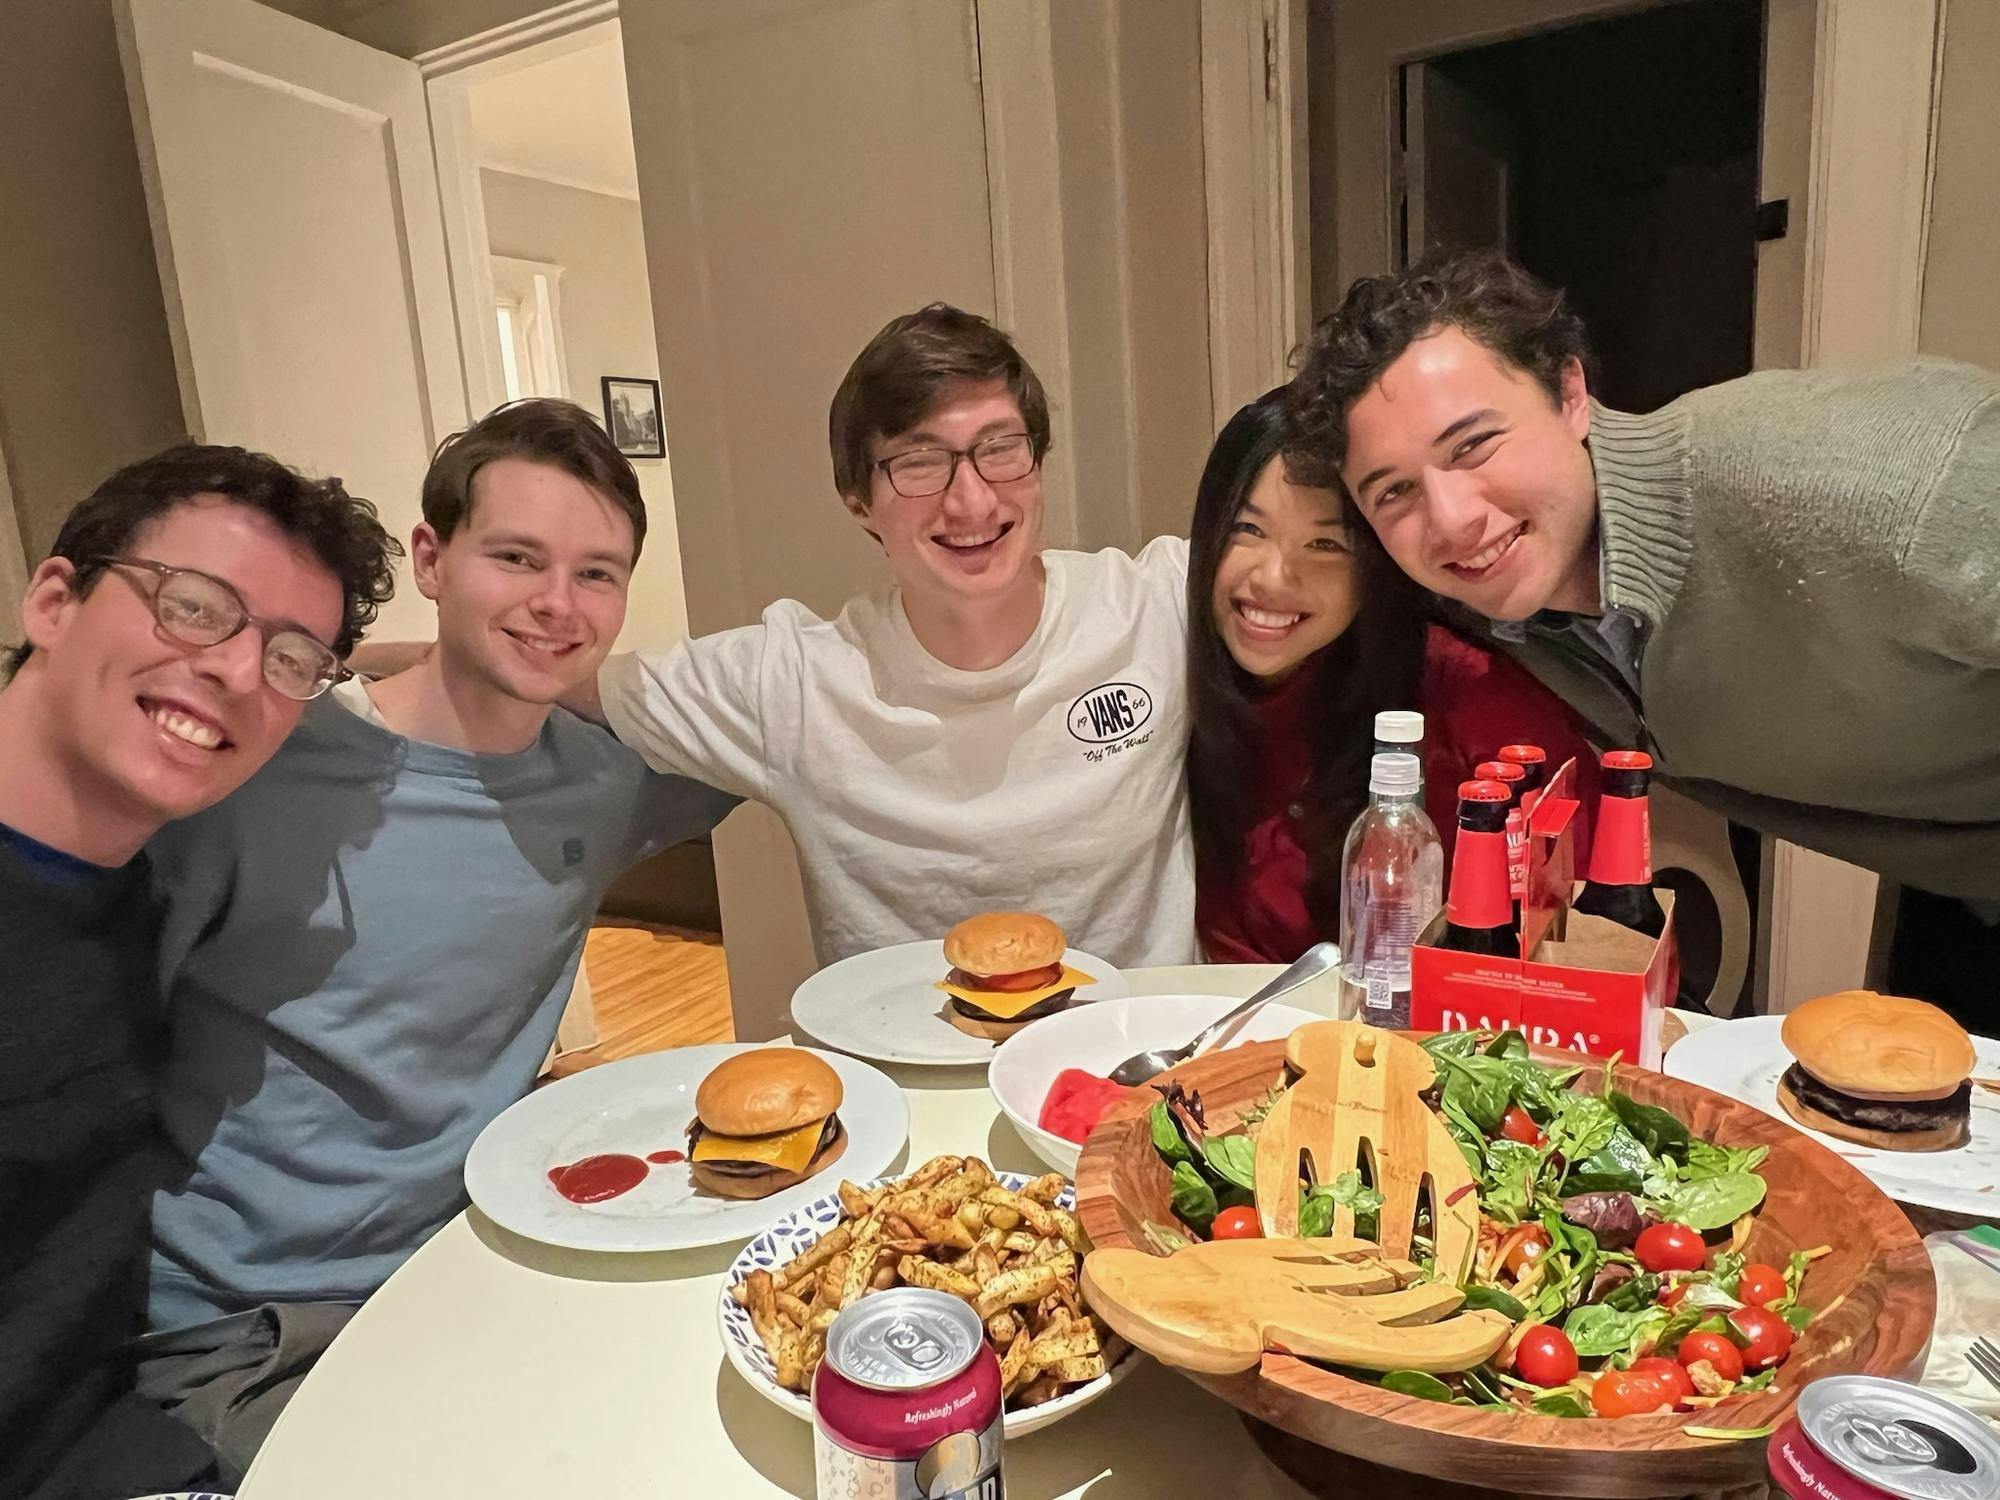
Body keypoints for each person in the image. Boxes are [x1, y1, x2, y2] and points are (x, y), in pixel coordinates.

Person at [139, 400, 738, 1485]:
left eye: (596, 574)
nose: (558, 605)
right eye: (516, 558)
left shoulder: (603, 781)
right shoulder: (250, 773)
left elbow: (795, 732)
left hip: (482, 1268)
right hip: (246, 1328)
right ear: (431, 556)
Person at [1287, 249, 2000, 911]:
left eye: (1475, 444)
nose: (1452, 521)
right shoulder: (1489, 612)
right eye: (1394, 493)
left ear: (1571, 393)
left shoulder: (1872, 486)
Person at [0, 445, 398, 1499]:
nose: (232, 669)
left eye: (289, 658)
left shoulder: (149, 891)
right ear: (53, 599)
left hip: (108, 1434)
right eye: (193, 606)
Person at [593, 304, 1195, 966]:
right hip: (905, 1065)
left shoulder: (1156, 605)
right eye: (919, 463)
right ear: (858, 503)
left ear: (1038, 463)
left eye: (1000, 449)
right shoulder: (798, 680)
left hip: (1144, 1057)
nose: (972, 502)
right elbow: (557, 675)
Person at [1187, 391, 1600, 963]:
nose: (1274, 578)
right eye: (1246, 530)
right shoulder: (1180, 681)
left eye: (1326, 544)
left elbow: (1575, 946)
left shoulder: (1475, 707)